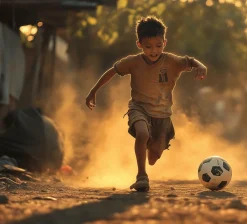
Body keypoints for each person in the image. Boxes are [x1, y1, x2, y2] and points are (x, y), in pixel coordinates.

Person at [85, 16, 207, 192]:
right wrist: (93, 91)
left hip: (163, 115)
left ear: (164, 42)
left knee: (153, 157)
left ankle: (150, 147)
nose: (153, 51)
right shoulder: (133, 62)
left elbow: (190, 61)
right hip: (139, 108)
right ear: (139, 44)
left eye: (158, 45)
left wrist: (201, 66)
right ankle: (142, 176)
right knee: (142, 134)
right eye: (148, 46)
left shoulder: (171, 61)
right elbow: (111, 72)